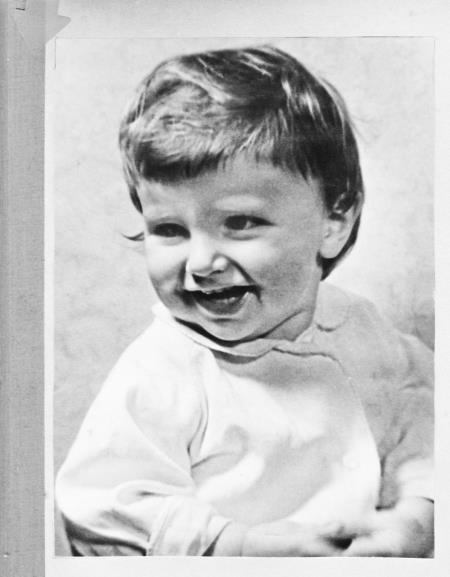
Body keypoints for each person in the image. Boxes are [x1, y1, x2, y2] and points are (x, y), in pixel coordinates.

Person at [55, 45, 433, 557]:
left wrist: (419, 513)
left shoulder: (359, 326)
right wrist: (236, 546)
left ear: (333, 224)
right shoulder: (164, 369)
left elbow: (426, 417)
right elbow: (101, 504)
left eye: (240, 223)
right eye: (169, 229)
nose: (200, 263)